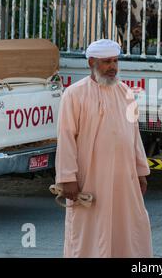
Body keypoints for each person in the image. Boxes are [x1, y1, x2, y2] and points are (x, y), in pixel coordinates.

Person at [55, 39, 153, 258]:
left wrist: (141, 172)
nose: (113, 67)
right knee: (88, 232)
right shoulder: (74, 94)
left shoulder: (126, 92)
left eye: (115, 61)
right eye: (107, 62)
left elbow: (134, 135)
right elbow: (66, 137)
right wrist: (67, 178)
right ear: (91, 62)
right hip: (90, 180)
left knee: (128, 229)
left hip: (123, 180)